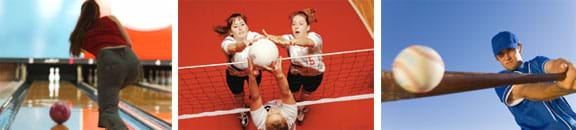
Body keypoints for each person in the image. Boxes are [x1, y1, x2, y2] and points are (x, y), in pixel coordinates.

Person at [69, 0, 141, 129]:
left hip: (110, 62)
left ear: (82, 14)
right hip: (132, 61)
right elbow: (129, 43)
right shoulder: (111, 19)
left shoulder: (80, 34)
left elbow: (80, 50)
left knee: (109, 110)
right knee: (107, 103)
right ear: (98, 12)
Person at [492, 31, 576, 129]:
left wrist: (565, 68)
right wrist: (563, 87)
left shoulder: (537, 62)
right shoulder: (501, 80)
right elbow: (529, 91)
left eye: (510, 49)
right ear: (497, 59)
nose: (507, 57)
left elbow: (553, 65)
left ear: (519, 48)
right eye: (501, 54)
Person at [263, 8, 324, 124]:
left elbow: (308, 42)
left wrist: (292, 43)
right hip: (296, 72)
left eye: (301, 24)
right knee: (292, 93)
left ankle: (301, 108)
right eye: (293, 24)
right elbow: (281, 39)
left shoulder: (315, 37)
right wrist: (272, 38)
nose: (296, 27)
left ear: (308, 27)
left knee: (306, 93)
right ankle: (293, 107)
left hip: (315, 74)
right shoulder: (289, 38)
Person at [214, 13, 264, 128]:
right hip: (234, 74)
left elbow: (265, 48)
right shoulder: (227, 42)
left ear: (247, 27)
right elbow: (234, 48)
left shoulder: (255, 36)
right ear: (231, 32)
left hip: (253, 73)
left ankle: (254, 109)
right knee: (238, 96)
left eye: (242, 24)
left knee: (254, 94)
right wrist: (244, 44)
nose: (240, 28)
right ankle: (242, 112)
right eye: (235, 26)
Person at [247, 57, 297, 130]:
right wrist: (279, 75)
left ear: (265, 126)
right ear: (286, 120)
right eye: (278, 113)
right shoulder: (290, 115)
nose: (272, 110)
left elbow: (255, 98)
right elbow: (286, 94)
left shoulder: (260, 122)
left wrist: (251, 76)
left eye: (268, 115)